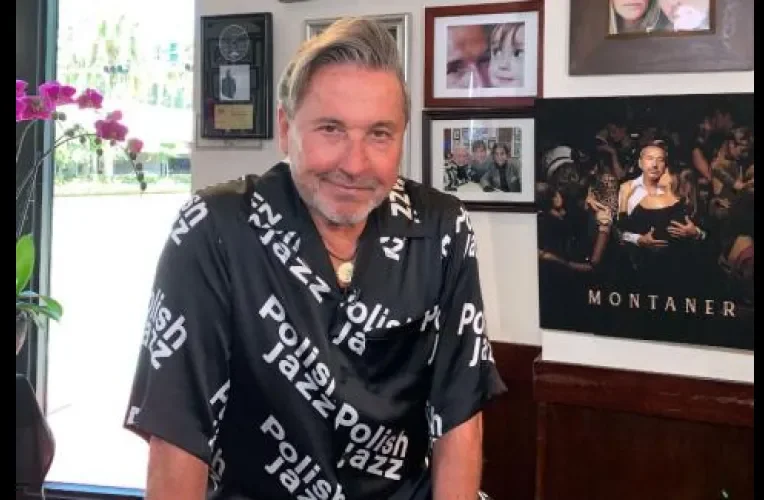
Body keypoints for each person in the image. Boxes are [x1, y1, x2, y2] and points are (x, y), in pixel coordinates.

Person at [122, 16, 506, 500]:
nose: (355, 164)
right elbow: (178, 432)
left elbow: (459, 417)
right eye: (331, 129)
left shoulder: (441, 229)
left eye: (379, 134)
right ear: (287, 129)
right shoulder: (215, 231)